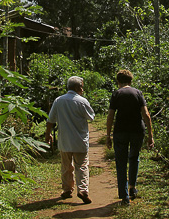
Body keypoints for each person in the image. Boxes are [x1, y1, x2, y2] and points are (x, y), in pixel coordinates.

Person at [106, 69, 154, 205]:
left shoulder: (116, 94)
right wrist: (150, 135)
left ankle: (124, 196)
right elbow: (146, 114)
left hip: (120, 131)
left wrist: (108, 135)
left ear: (118, 81)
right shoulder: (138, 93)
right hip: (137, 131)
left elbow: (110, 116)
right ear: (131, 81)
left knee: (121, 163)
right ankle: (132, 187)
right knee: (134, 157)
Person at [45, 76, 95, 204]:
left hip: (65, 140)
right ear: (78, 87)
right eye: (82, 87)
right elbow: (91, 117)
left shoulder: (58, 101)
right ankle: (82, 189)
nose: (83, 89)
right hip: (80, 140)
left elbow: (50, 120)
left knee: (66, 166)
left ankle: (67, 189)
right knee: (82, 165)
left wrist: (48, 134)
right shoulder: (82, 101)